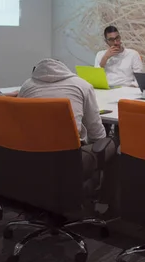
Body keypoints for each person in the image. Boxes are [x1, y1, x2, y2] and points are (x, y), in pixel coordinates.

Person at [19, 59, 117, 209]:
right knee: (110, 144)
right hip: (69, 161)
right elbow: (97, 134)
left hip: (30, 158)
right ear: (65, 68)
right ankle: (102, 201)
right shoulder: (82, 85)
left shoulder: (27, 86)